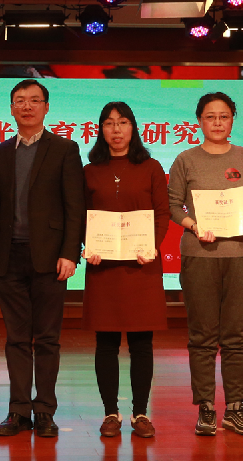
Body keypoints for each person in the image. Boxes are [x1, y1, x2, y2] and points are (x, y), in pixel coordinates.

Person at [0, 79, 86, 438]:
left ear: (46, 107)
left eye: (34, 100)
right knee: (15, 338)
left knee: (46, 338)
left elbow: (75, 206)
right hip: (8, 256)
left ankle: (44, 409)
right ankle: (18, 410)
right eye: (19, 101)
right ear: (11, 109)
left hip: (50, 258)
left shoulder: (65, 149)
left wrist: (70, 253)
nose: (26, 106)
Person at [167, 92, 243, 437]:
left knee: (237, 335)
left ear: (232, 119)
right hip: (200, 255)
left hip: (241, 255)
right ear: (199, 121)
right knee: (202, 336)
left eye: (224, 116)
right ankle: (206, 407)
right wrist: (193, 225)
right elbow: (173, 205)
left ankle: (235, 407)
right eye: (210, 117)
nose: (218, 122)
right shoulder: (185, 159)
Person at [82, 102, 169, 439]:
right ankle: (110, 413)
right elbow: (81, 215)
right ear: (101, 130)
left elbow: (162, 213)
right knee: (105, 343)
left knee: (141, 344)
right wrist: (87, 245)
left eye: (122, 122)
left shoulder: (151, 167)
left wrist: (153, 245)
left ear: (133, 128)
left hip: (141, 267)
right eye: (109, 123)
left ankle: (141, 413)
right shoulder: (89, 171)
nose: (116, 129)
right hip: (103, 268)